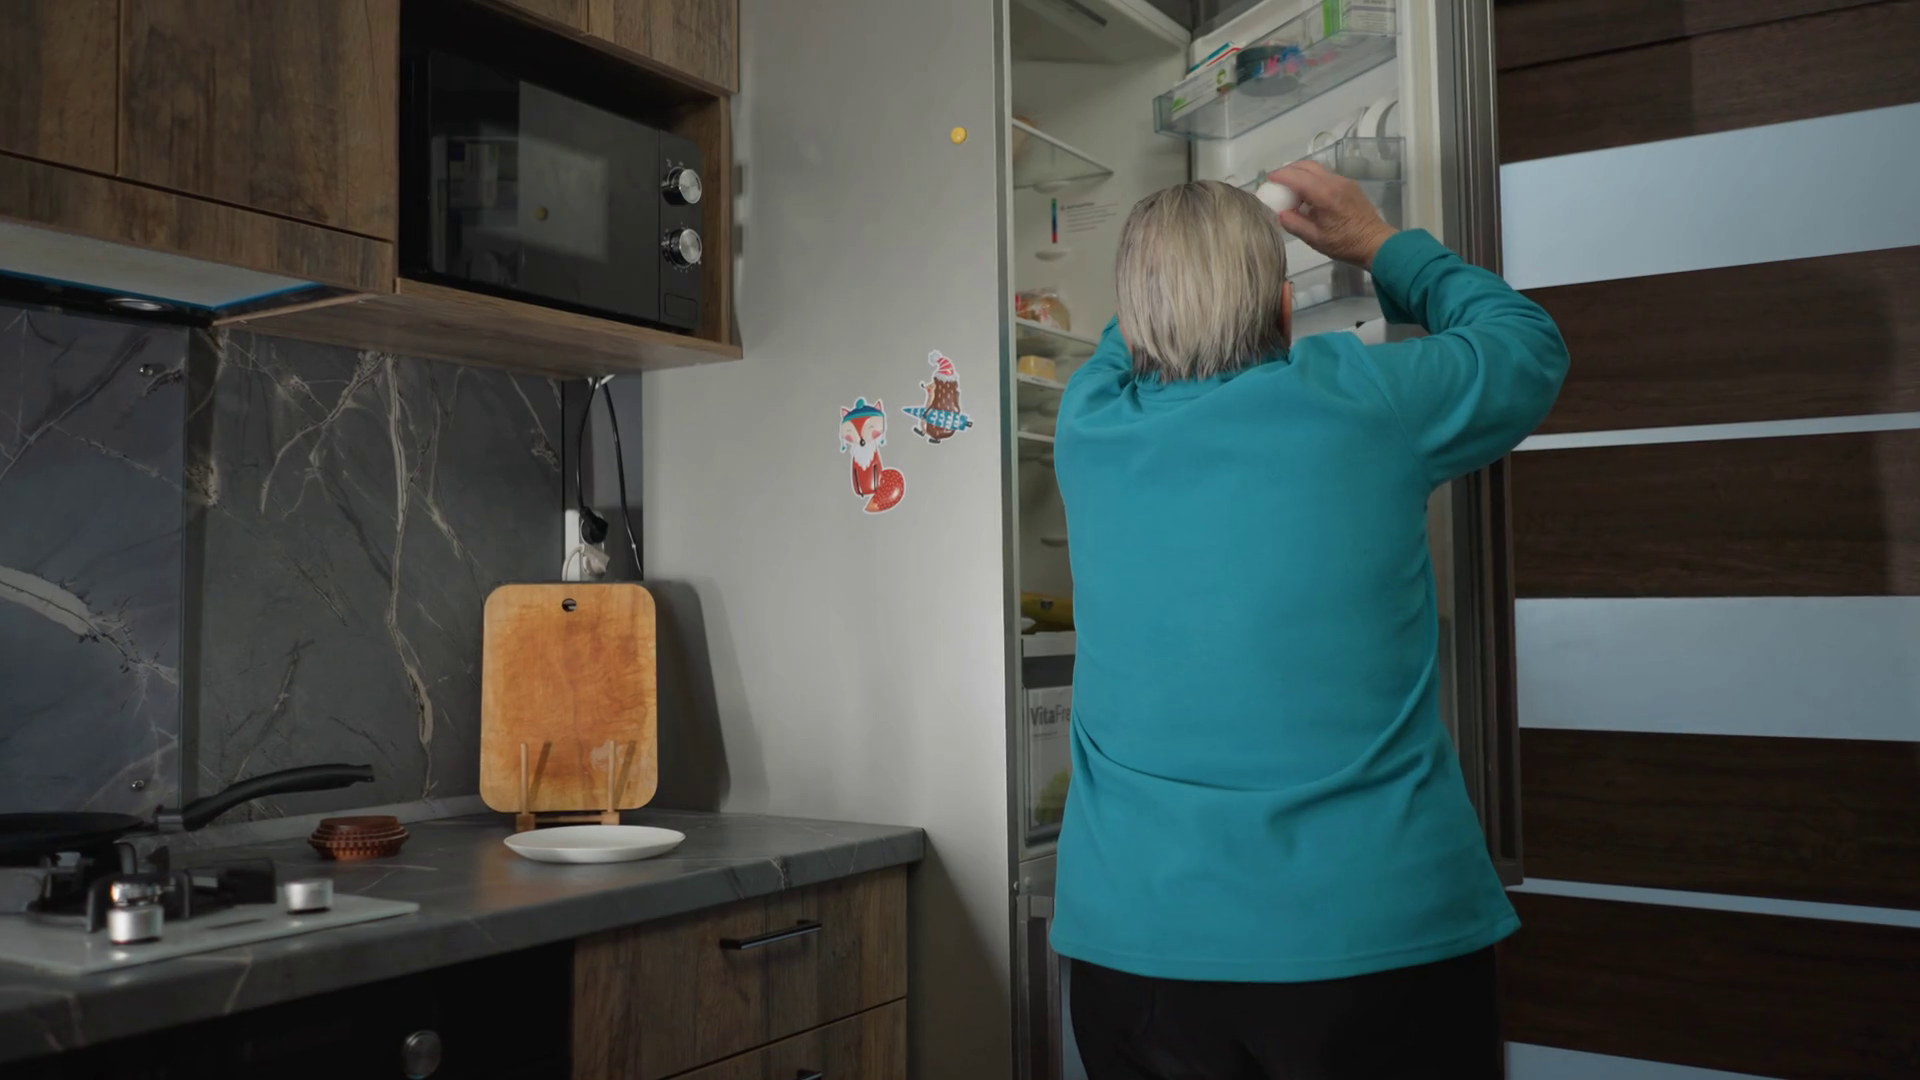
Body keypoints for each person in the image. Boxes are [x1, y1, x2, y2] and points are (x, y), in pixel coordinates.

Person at [1050, 163, 1569, 1079]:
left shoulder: (1088, 426)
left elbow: (1125, 338)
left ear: (1136, 318)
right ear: (1288, 313)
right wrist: (1378, 243)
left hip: (1136, 955)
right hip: (1372, 942)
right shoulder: (1363, 398)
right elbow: (1526, 345)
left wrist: (1180, 282)